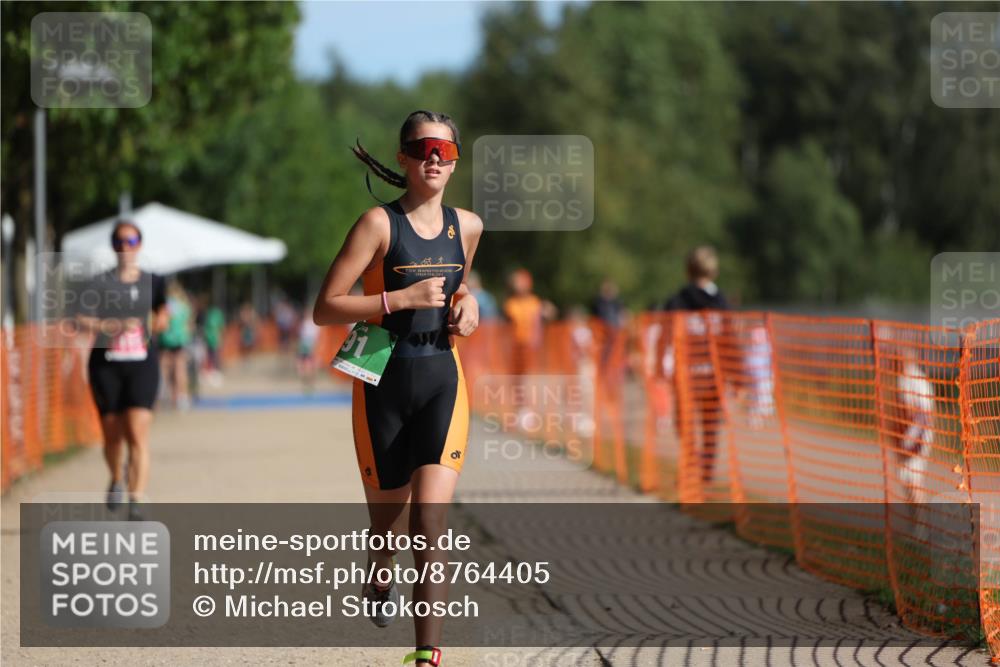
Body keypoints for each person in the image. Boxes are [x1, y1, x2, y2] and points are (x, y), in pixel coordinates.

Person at [313, 110, 483, 667]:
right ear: (405, 157)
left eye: (447, 150)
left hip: (442, 374)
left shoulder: (470, 226)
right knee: (386, 523)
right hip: (380, 368)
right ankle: (379, 567)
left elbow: (461, 287)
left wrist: (469, 305)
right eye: (424, 147)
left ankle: (426, 654)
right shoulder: (377, 225)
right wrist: (397, 301)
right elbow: (325, 308)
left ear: (455, 162)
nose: (436, 157)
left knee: (429, 521)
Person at [75, 220, 168, 520]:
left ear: (139, 244)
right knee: (112, 435)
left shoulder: (154, 282)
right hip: (106, 365)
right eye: (119, 241)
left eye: (131, 241)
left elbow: (163, 318)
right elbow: (80, 318)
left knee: (137, 433)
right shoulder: (99, 283)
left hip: (142, 364)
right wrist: (109, 325)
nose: (125, 247)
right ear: (113, 245)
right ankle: (117, 476)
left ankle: (137, 500)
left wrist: (147, 323)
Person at [662, 245, 729, 485]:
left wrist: (662, 364)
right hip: (712, 373)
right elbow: (729, 341)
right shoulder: (721, 302)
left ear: (688, 270)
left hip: (686, 373)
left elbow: (665, 336)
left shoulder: (677, 300)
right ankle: (705, 471)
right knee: (710, 426)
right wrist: (735, 377)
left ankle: (694, 464)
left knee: (685, 423)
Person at [158, 280, 193, 410]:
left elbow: (161, 323)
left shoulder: (165, 305)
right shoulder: (184, 306)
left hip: (166, 340)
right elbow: (188, 325)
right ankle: (182, 398)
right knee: (180, 369)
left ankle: (161, 395)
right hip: (180, 341)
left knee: (164, 369)